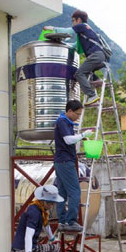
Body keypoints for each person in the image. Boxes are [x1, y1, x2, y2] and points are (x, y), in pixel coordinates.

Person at [44, 9, 107, 106]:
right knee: (87, 71)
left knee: (79, 74)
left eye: (73, 20)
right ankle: (97, 80)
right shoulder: (85, 31)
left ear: (78, 20)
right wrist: (62, 44)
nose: (73, 23)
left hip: (96, 55)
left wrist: (52, 28)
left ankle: (92, 95)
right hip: (101, 57)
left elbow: (68, 31)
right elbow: (76, 46)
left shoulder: (81, 26)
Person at [54, 100, 94, 233]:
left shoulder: (66, 122)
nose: (78, 117)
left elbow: (69, 138)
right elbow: (67, 139)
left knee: (62, 192)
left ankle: (62, 221)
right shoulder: (62, 121)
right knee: (75, 192)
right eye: (77, 114)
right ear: (69, 111)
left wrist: (81, 138)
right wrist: (83, 135)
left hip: (61, 161)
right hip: (65, 161)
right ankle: (71, 221)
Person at [10, 185, 64, 252]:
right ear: (43, 201)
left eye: (53, 203)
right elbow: (28, 235)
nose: (51, 206)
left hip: (21, 249)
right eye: (50, 203)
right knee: (55, 250)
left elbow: (46, 225)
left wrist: (52, 239)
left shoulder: (40, 209)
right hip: (20, 251)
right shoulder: (34, 212)